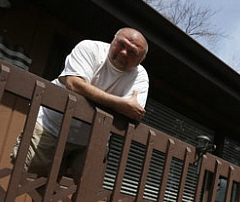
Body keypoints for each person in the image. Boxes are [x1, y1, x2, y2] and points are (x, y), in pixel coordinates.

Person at [11, 28, 149, 182]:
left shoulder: (140, 77)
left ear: (140, 59)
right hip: (51, 127)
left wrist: (92, 93)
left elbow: (131, 112)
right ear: (113, 40)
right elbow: (74, 84)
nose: (124, 52)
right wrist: (118, 103)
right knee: (29, 180)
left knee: (83, 192)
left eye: (132, 52)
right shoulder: (90, 48)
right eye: (121, 44)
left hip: (92, 140)